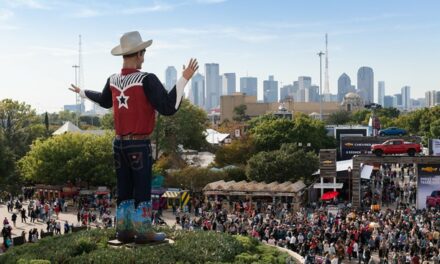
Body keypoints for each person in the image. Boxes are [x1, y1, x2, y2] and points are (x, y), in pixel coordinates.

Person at [69, 31, 198, 244]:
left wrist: (83, 92)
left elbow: (103, 101)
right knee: (142, 189)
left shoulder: (113, 80)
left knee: (124, 188)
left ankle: (124, 231)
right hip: (139, 143)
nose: (144, 57)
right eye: (143, 52)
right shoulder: (146, 79)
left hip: (118, 144)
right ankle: (144, 231)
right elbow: (168, 107)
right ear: (138, 54)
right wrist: (184, 79)